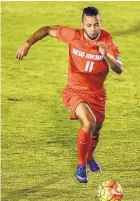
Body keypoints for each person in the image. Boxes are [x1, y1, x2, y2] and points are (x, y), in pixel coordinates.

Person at [16, 6, 123, 183]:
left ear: (100, 23)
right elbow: (47, 30)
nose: (93, 29)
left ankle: (89, 157)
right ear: (82, 24)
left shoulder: (107, 40)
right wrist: (27, 44)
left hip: (97, 94)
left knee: (96, 130)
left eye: (96, 24)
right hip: (75, 90)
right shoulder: (73, 35)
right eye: (89, 25)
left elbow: (119, 69)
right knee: (89, 122)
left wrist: (106, 55)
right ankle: (81, 165)